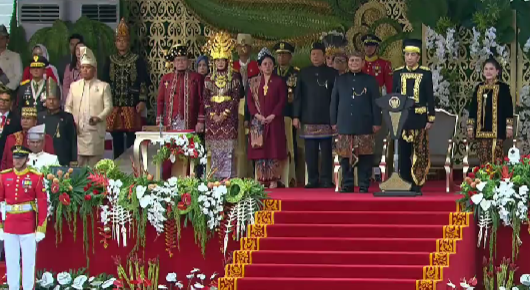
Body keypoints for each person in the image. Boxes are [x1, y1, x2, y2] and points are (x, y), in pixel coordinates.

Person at [330, 51, 382, 193]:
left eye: (357, 61)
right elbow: (334, 101)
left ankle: (364, 185)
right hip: (345, 123)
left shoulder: (370, 81)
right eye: (352, 60)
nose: (354, 63)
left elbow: (376, 103)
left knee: (365, 157)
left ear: (363, 63)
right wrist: (333, 121)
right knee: (345, 157)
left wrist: (377, 122)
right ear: (348, 63)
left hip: (364, 123)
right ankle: (347, 185)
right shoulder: (340, 80)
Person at [0, 145, 48, 290]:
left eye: (20, 158)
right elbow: (1, 202)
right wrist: (0, 225)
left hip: (28, 225)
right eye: (15, 157)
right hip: (9, 225)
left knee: (28, 262)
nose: (17, 161)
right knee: (11, 261)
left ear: (27, 159)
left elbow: (42, 203)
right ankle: (12, 287)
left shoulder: (36, 177)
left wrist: (41, 227)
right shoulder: (4, 176)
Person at [293, 42, 338, 188]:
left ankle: (326, 179)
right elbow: (298, 96)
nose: (315, 57)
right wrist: (296, 116)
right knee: (310, 152)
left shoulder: (332, 73)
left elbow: (335, 97)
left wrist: (335, 117)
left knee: (326, 151)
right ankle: (312, 179)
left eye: (318, 54)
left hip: (327, 118)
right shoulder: (303, 73)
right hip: (308, 117)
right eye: (313, 54)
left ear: (324, 56)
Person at [102, 18, 149, 159]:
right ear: (115, 43)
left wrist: (142, 100)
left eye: (124, 40)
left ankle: (131, 163)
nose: (121, 43)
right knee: (116, 137)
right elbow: (105, 83)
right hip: (114, 104)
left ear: (128, 42)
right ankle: (117, 162)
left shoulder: (136, 59)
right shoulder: (110, 60)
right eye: (119, 40)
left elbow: (143, 81)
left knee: (131, 137)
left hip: (131, 104)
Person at [393, 39, 435, 193]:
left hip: (419, 118)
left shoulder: (425, 73)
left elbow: (430, 97)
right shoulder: (398, 73)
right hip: (403, 119)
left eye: (413, 55)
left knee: (420, 152)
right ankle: (405, 181)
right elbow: (394, 97)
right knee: (403, 153)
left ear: (418, 57)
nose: (409, 58)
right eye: (407, 55)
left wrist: (431, 117)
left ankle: (417, 183)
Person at [203, 31, 243, 179]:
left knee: (228, 150)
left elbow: (235, 98)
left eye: (223, 59)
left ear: (228, 60)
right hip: (212, 119)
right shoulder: (208, 78)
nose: (220, 62)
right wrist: (213, 115)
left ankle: (228, 179)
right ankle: (215, 178)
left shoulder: (234, 76)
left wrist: (224, 114)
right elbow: (206, 98)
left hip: (229, 118)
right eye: (218, 60)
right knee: (215, 150)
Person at [65, 46, 113, 167]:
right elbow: (68, 107)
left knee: (94, 167)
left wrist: (99, 117)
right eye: (82, 68)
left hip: (95, 131)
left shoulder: (103, 86)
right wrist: (72, 122)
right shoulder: (74, 86)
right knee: (78, 165)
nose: (85, 70)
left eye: (88, 68)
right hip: (78, 131)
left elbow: (109, 107)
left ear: (94, 69)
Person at [247, 48, 287, 188]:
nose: (267, 66)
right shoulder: (253, 82)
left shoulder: (279, 82)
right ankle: (261, 178)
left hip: (274, 121)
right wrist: (257, 115)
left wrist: (272, 115)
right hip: (258, 122)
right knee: (260, 150)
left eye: (270, 63)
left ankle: (274, 179)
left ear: (273, 65)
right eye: (265, 64)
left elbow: (282, 101)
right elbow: (250, 101)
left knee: (274, 150)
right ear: (259, 66)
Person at [467, 58, 513, 165]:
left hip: (498, 130)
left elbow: (508, 108)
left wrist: (509, 126)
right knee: (483, 160)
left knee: (496, 159)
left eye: (491, 69)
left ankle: (495, 180)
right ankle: (484, 180)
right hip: (481, 130)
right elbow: (473, 108)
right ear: (483, 72)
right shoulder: (479, 88)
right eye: (486, 69)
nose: (488, 71)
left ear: (497, 71)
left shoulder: (503, 88)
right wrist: (470, 127)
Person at [272, 41, 299, 185]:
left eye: (284, 55)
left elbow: (298, 97)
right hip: (274, 115)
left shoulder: (295, 73)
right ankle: (274, 176)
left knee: (291, 146)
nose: (281, 58)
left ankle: (291, 176)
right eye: (279, 55)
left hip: (289, 114)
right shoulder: (272, 72)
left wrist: (296, 115)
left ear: (290, 56)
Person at [234, 33, 259, 178]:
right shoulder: (232, 65)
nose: (243, 49)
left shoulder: (256, 65)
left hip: (252, 106)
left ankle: (253, 172)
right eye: (240, 46)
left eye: (246, 46)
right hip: (235, 105)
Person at [37, 82, 77, 166]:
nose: (51, 102)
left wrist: (74, 159)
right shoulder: (40, 117)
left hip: (62, 157)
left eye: (54, 99)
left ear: (59, 100)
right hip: (44, 156)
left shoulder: (67, 117)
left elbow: (73, 139)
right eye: (49, 99)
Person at [0, 85, 22, 160]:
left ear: (11, 102)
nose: (2, 102)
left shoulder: (16, 120)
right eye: (1, 99)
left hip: (6, 157)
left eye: (6, 100)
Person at [0, 25, 22, 91]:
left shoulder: (15, 56)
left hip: (9, 92)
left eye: (2, 38)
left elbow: (18, 76)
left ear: (7, 40)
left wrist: (7, 89)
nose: (0, 41)